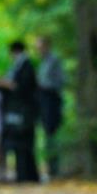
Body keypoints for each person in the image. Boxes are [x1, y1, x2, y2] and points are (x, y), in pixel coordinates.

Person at [0, 40, 40, 183]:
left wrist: (7, 84)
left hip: (23, 112)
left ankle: (26, 175)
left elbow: (23, 87)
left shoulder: (26, 66)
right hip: (20, 111)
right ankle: (24, 175)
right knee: (21, 144)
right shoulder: (20, 66)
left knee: (23, 144)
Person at [35, 36, 65, 179]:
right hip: (44, 102)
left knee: (52, 134)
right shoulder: (43, 62)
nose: (38, 50)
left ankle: (55, 170)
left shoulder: (54, 61)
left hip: (52, 102)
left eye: (40, 46)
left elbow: (61, 81)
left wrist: (46, 87)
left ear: (47, 45)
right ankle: (50, 169)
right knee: (46, 135)